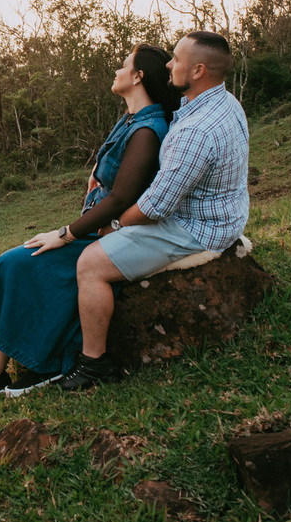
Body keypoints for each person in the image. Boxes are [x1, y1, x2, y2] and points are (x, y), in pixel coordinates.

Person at [0, 44, 180, 414]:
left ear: (139, 76)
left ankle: (35, 367)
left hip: (111, 232)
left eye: (124, 65)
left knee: (19, 263)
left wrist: (65, 234)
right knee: (13, 263)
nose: (117, 70)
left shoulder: (149, 130)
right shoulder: (130, 120)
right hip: (95, 225)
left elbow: (121, 197)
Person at [53, 30, 249, 391]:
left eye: (176, 59)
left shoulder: (195, 131)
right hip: (226, 212)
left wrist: (114, 224)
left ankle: (93, 364)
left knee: (90, 264)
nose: (170, 64)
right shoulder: (224, 102)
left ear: (198, 71)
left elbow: (156, 206)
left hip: (195, 227)